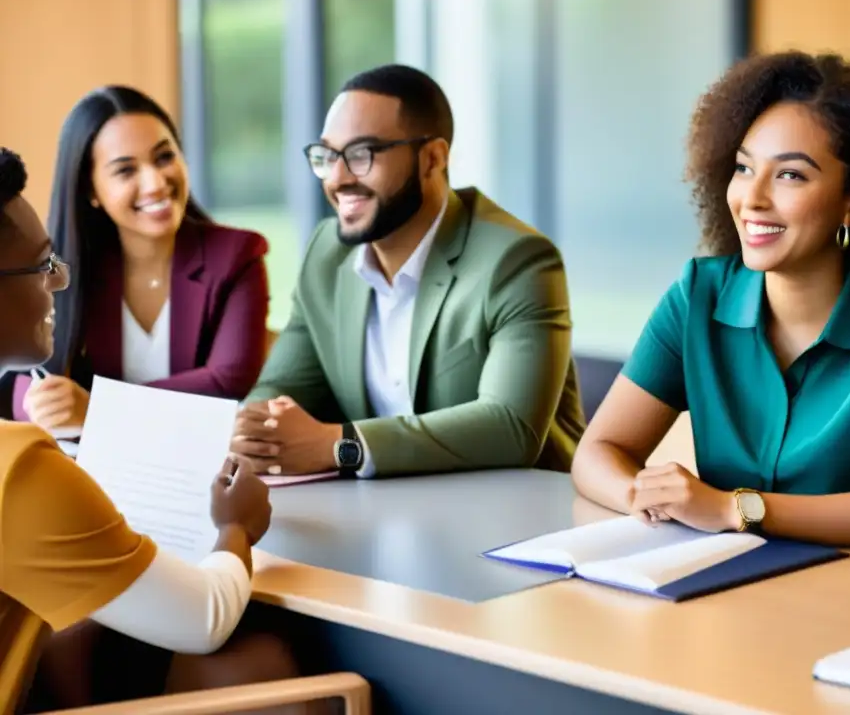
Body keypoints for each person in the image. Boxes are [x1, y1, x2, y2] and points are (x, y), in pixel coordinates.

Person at [571, 52, 850, 551]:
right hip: (717, 582)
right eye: (743, 167)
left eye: (790, 175)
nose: (751, 198)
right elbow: (600, 450)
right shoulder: (698, 294)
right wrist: (647, 499)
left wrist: (732, 508)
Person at [0, 148, 293, 712]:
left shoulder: (232, 255)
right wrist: (236, 526)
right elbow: (204, 618)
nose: (59, 283)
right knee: (261, 666)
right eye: (41, 266)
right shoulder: (17, 472)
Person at [230, 64, 585, 478]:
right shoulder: (326, 254)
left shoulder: (517, 260)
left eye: (362, 154)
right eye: (327, 157)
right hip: (383, 514)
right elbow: (284, 388)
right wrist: (252, 431)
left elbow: (510, 426)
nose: (337, 178)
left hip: (521, 520)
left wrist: (342, 446)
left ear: (432, 158)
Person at [4, 85, 269, 430]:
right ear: (91, 189)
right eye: (126, 170)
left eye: (164, 157)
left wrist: (100, 410)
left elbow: (229, 381)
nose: (155, 182)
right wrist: (40, 404)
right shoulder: (67, 267)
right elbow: (12, 377)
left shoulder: (237, 256)